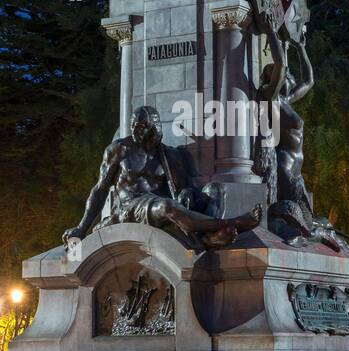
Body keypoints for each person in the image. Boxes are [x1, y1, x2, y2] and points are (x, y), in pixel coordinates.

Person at [62, 106, 261, 251]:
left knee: (213, 191)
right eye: (133, 126)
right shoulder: (120, 149)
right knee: (167, 207)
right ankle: (231, 223)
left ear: (154, 127)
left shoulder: (168, 155)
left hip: (157, 206)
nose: (135, 131)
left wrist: (187, 194)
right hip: (129, 207)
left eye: (141, 127)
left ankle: (207, 240)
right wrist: (81, 228)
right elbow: (100, 189)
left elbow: (181, 190)